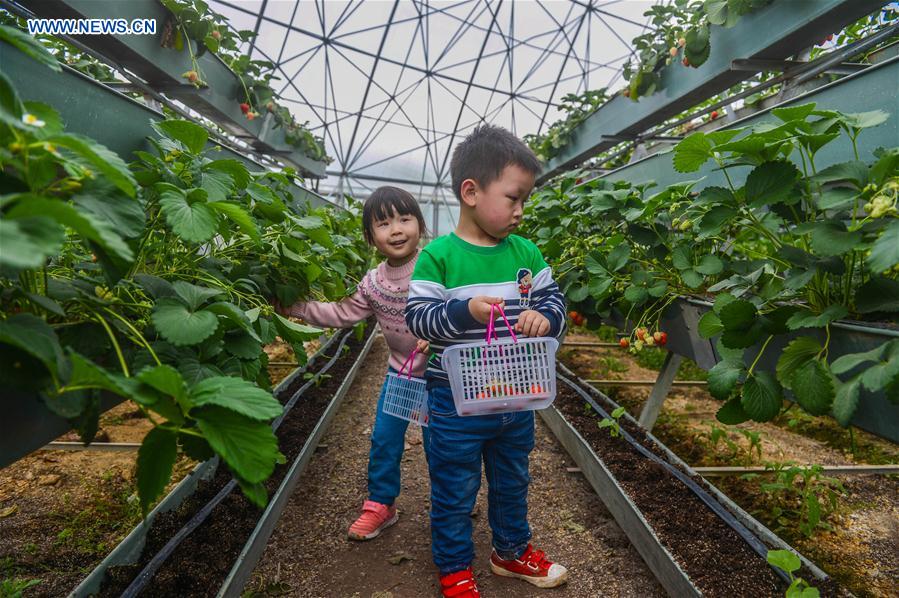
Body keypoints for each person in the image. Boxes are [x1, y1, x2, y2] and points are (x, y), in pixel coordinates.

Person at [405, 125, 569, 597]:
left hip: (515, 396)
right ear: (471, 192)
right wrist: (464, 310)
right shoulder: (438, 257)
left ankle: (510, 551)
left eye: (525, 200)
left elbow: (554, 299)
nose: (521, 211)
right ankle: (455, 566)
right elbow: (420, 319)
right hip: (455, 401)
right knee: (454, 486)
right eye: (513, 198)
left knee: (513, 478)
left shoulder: (527, 253)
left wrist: (545, 317)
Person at [275, 186, 429, 541]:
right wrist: (295, 307)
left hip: (440, 374)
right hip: (400, 373)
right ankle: (381, 504)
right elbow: (342, 313)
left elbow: (457, 306)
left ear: (419, 225)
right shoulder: (374, 283)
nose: (396, 229)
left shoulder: (434, 265)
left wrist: (440, 332)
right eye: (383, 223)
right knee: (384, 438)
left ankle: (453, 498)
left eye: (405, 219)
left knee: (443, 443)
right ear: (370, 237)